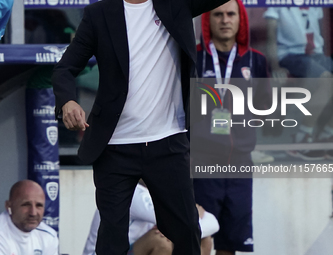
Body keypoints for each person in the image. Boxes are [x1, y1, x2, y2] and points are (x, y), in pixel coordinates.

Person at [52, 0, 229, 254]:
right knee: (111, 238)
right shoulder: (99, 14)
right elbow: (65, 69)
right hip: (114, 146)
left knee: (187, 231)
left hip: (167, 141)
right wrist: (67, 101)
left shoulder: (175, 4)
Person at [191, 0, 271, 254]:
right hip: (202, 164)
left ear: (241, 19)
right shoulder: (193, 58)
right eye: (218, 14)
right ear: (207, 20)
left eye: (230, 14)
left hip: (239, 165)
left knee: (233, 241)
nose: (225, 20)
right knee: (200, 237)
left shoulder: (256, 61)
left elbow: (264, 106)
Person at [264, 7, 333, 160]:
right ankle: (302, 136)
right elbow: (270, 35)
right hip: (292, 54)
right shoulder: (278, 4)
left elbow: (320, 32)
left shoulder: (315, 3)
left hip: (316, 54)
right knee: (327, 81)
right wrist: (275, 65)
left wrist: (323, 57)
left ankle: (328, 135)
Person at [83, 183, 220, 255]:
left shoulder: (165, 194)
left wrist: (179, 228)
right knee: (161, 241)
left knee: (203, 240)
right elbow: (177, 222)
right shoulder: (134, 193)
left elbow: (214, 223)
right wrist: (192, 214)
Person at [0, 180, 59, 255]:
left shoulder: (48, 236)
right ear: (8, 206)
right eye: (26, 204)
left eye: (39, 205)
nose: (33, 213)